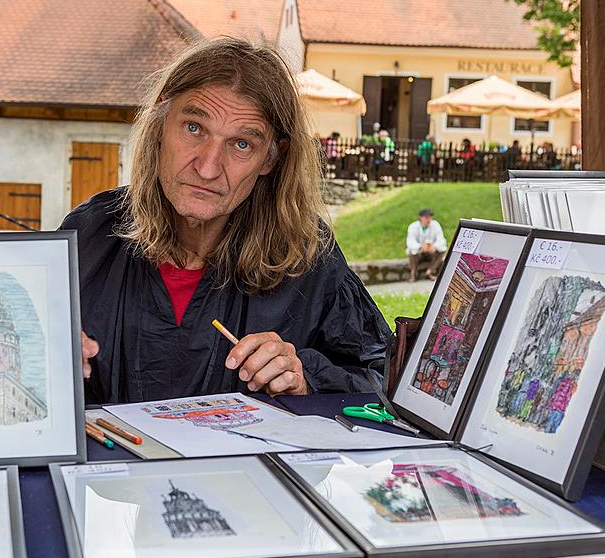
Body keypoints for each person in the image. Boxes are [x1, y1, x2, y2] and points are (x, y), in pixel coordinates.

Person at [60, 38, 392, 404]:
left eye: (241, 144)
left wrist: (305, 377)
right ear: (159, 126)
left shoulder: (307, 255)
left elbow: (381, 379)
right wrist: (38, 357)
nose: (207, 167)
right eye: (193, 128)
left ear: (270, 159)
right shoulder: (89, 236)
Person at [406, 208, 446, 282]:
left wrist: (434, 246)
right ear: (420, 218)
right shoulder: (413, 226)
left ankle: (430, 271)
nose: (428, 219)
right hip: (419, 252)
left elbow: (441, 239)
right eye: (426, 217)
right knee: (411, 251)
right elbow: (410, 241)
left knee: (442, 251)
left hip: (431, 251)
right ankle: (413, 274)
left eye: (430, 217)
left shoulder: (435, 225)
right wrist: (420, 246)